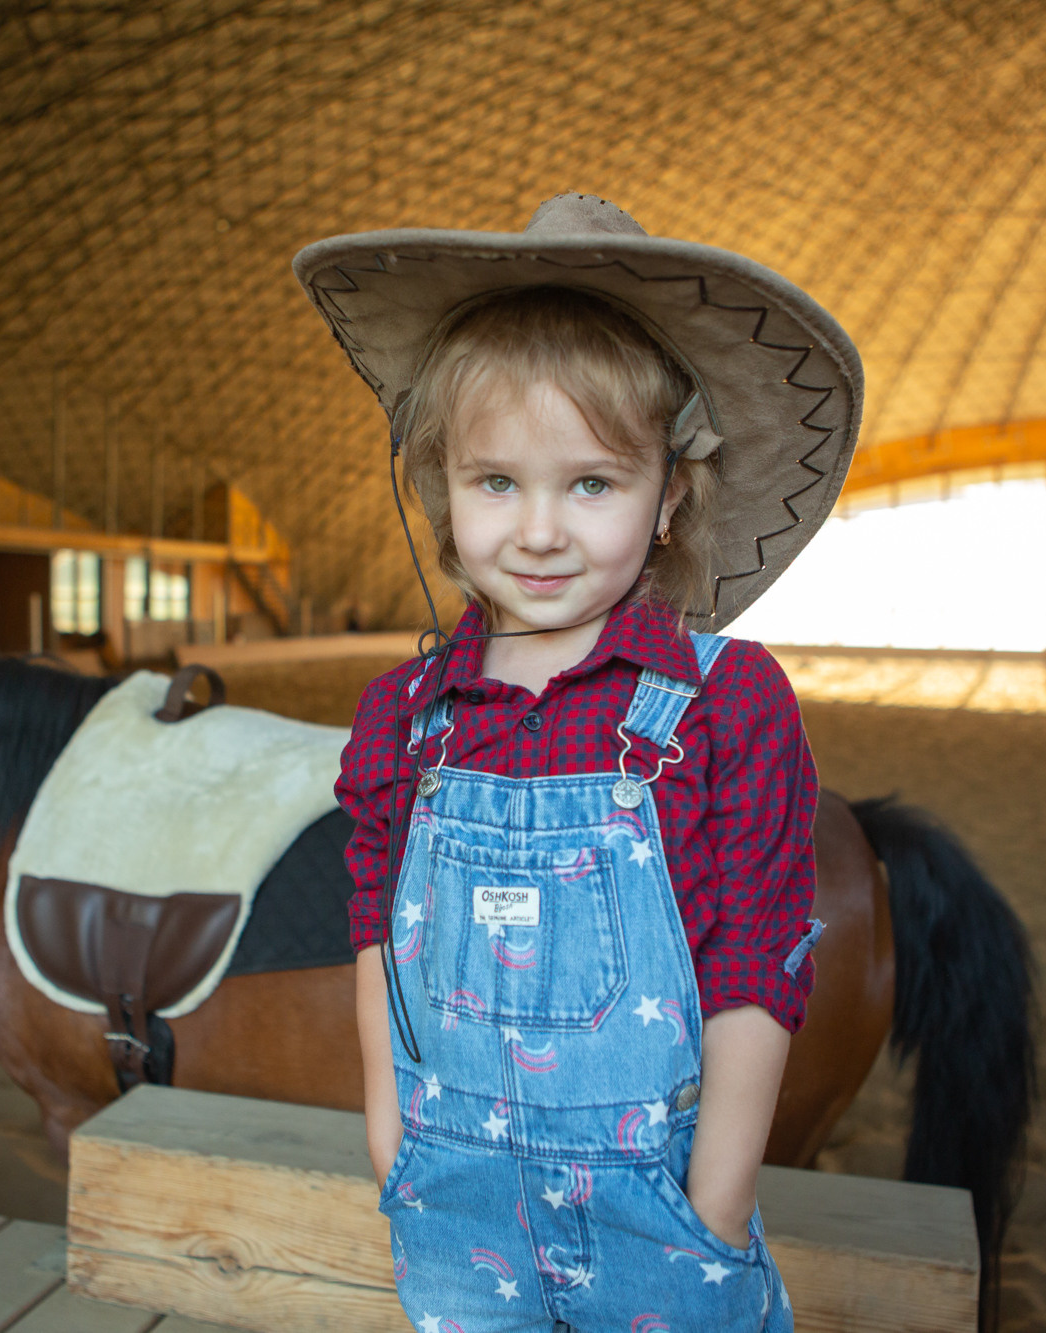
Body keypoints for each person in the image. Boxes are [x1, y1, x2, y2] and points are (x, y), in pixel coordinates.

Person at [296, 194, 863, 1330]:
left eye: (590, 483)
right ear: (439, 491)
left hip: (657, 1217)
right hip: (451, 1210)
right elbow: (374, 926)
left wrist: (717, 1195)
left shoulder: (725, 698)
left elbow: (756, 952)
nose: (540, 530)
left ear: (668, 498)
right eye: (495, 482)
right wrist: (385, 1132)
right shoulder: (403, 714)